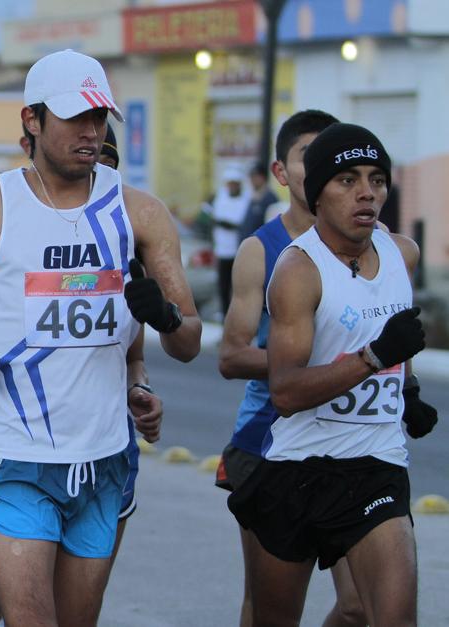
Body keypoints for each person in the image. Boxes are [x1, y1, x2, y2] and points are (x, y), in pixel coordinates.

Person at [0, 49, 201, 627]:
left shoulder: (141, 214)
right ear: (32, 120)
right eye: (75, 118)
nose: (91, 131)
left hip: (104, 456)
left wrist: (163, 317)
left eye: (100, 117)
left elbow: (189, 340)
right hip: (11, 450)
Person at [0, 124, 159, 627]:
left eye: (106, 163)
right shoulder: (10, 228)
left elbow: (131, 351)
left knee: (75, 609)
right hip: (21, 444)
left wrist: (140, 388)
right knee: (25, 593)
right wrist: (7, 311)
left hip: (105, 448)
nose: (93, 170)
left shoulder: (130, 240)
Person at [228, 122, 437, 626]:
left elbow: (384, 329)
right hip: (295, 470)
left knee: (387, 617)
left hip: (375, 466)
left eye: (377, 179)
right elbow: (284, 391)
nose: (367, 192)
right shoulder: (298, 271)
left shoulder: (402, 254)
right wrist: (374, 358)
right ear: (317, 193)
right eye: (347, 180)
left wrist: (405, 390)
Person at [217, 109, 373, 627]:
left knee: (358, 608)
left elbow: (388, 338)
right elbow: (232, 354)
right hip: (267, 444)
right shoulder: (259, 250)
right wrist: (318, 364)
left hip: (353, 445)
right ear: (282, 173)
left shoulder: (375, 249)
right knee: (267, 612)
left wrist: (405, 385)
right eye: (310, 156)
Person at [210, 166, 250, 319]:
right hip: (222, 251)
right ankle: (225, 320)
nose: (232, 187)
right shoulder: (221, 198)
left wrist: (226, 224)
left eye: (235, 183)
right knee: (223, 287)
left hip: (239, 251)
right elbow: (214, 220)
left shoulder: (246, 200)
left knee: (240, 288)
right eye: (230, 183)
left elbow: (241, 224)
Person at [238, 162, 278, 241]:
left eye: (255, 176)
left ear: (262, 177)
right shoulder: (253, 197)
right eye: (251, 176)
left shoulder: (270, 199)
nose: (252, 180)